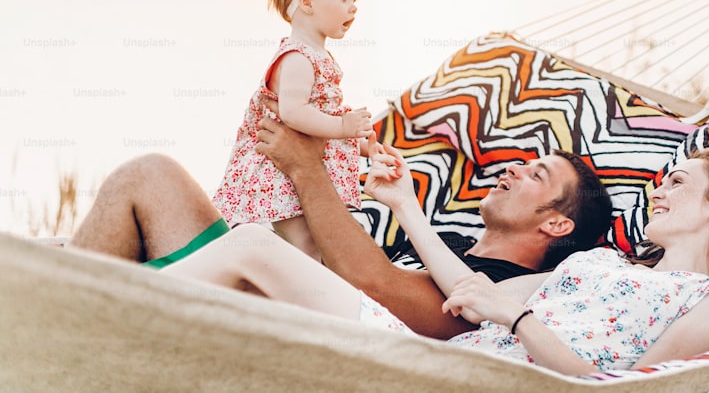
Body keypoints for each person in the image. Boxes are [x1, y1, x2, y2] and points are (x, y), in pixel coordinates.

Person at [159, 149, 709, 375]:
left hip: (465, 379)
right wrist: (404, 202)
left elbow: (628, 391)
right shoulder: (602, 264)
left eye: (677, 183)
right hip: (432, 359)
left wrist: (516, 320)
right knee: (250, 246)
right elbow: (469, 286)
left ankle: (89, 300)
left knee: (251, 246)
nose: (660, 190)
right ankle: (95, 295)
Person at [69, 114, 614, 340]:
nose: (514, 166)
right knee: (149, 174)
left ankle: (76, 314)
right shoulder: (447, 243)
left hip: (296, 341)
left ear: (558, 222)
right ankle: (58, 296)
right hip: (265, 293)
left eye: (536, 174)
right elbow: (325, 273)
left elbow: (376, 290)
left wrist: (307, 169)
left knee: (252, 241)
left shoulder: (496, 289)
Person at [211, 0, 379, 259]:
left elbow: (319, 112)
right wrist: (343, 126)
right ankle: (295, 290)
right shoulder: (297, 57)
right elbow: (294, 113)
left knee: (314, 240)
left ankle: (302, 282)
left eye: (355, 0)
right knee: (303, 243)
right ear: (307, 2)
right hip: (276, 170)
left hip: (294, 165)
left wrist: (361, 144)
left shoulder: (315, 54)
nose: (353, 8)